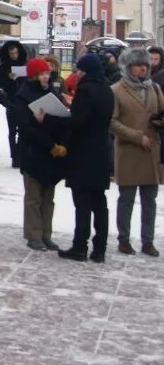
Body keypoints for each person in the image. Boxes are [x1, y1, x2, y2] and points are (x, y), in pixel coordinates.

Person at [58, 53, 116, 263]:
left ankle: (79, 246)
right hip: (101, 151)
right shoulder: (107, 89)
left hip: (82, 153)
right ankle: (100, 249)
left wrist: (56, 117)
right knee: (100, 203)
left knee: (82, 203)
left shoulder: (85, 90)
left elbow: (78, 122)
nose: (78, 73)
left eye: (79, 70)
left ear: (86, 71)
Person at [110, 48, 164, 257]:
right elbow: (111, 122)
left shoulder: (155, 89)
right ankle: (124, 239)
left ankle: (147, 241)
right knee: (127, 199)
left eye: (146, 65)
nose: (143, 68)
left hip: (151, 152)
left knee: (149, 201)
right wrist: (135, 136)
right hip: (129, 151)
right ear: (128, 67)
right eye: (139, 65)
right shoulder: (116, 90)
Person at [12, 58, 69, 251]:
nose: (46, 77)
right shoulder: (24, 95)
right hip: (33, 151)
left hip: (51, 153)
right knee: (33, 197)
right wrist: (38, 122)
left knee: (48, 197)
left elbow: (59, 118)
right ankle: (33, 234)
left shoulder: (52, 92)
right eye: (42, 74)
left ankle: (46, 234)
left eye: (47, 73)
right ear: (34, 75)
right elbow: (25, 126)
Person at [0, 40, 29, 167]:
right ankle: (14, 156)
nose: (14, 56)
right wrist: (8, 79)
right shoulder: (3, 67)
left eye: (16, 53)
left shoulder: (24, 64)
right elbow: (0, 83)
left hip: (23, 101)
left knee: (23, 130)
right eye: (12, 54)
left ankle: (20, 155)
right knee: (12, 131)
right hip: (11, 100)